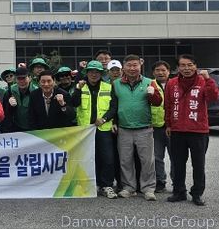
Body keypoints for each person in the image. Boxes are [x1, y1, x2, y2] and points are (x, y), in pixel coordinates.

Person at [101, 55, 162, 201]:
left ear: (140, 66)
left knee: (147, 161)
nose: (132, 68)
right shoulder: (116, 84)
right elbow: (114, 105)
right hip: (124, 128)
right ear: (124, 67)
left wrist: (153, 95)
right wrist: (114, 122)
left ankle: (148, 189)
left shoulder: (150, 82)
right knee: (125, 160)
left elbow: (158, 102)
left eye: (135, 65)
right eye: (129, 65)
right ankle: (129, 187)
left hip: (144, 128)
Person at [165, 55, 219, 206]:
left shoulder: (203, 81)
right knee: (178, 163)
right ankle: (179, 191)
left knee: (198, 164)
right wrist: (168, 124)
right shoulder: (172, 83)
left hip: (198, 131)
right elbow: (168, 105)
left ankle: (197, 193)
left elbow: (213, 97)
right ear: (178, 68)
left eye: (190, 65)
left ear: (196, 66)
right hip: (177, 130)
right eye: (183, 65)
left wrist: (208, 80)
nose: (186, 68)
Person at [69, 61, 116, 198]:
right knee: (88, 158)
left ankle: (107, 185)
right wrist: (78, 88)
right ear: (87, 73)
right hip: (85, 130)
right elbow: (74, 103)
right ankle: (93, 184)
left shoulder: (108, 87)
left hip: (103, 129)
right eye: (91, 72)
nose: (94, 74)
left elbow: (114, 107)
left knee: (107, 158)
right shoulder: (80, 86)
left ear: (101, 73)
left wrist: (105, 119)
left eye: (97, 72)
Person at [151, 60, 173, 193]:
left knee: (175, 156)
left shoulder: (175, 84)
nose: (161, 72)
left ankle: (177, 182)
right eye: (157, 70)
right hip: (156, 127)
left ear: (168, 72)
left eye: (163, 70)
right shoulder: (150, 84)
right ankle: (160, 181)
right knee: (156, 157)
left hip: (173, 127)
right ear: (153, 72)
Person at [0, 67, 33, 132]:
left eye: (23, 78)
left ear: (29, 78)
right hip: (16, 128)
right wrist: (9, 105)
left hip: (32, 129)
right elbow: (6, 114)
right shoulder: (10, 91)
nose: (21, 81)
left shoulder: (36, 91)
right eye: (19, 78)